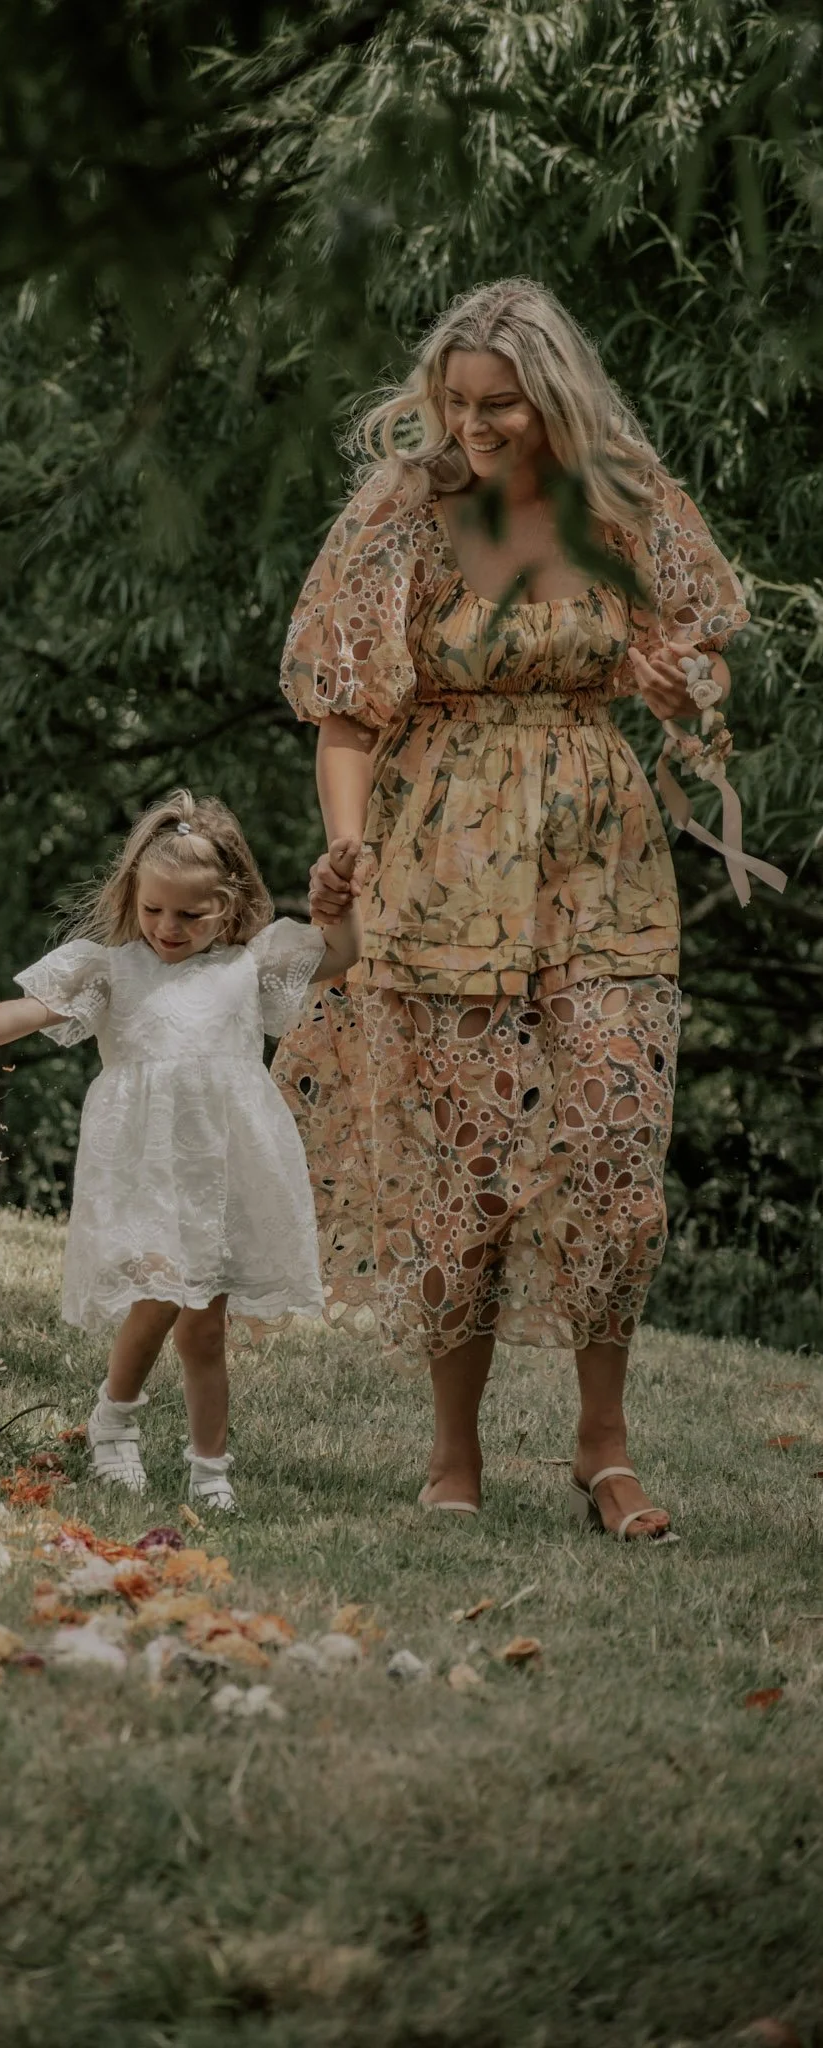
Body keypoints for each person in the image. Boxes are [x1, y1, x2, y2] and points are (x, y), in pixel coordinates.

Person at [273, 276, 781, 1540]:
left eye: (501, 403)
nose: (476, 426)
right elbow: (344, 712)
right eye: (457, 401)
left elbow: (699, 660)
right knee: (463, 1160)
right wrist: (347, 849)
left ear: (555, 397)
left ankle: (603, 1447)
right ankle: (454, 1453)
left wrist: (677, 690)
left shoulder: (621, 497)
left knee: (613, 1134)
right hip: (436, 846)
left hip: (601, 850)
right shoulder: (407, 510)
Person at [0, 790, 361, 1512]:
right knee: (156, 1302)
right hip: (147, 1166)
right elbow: (26, 1011)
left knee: (204, 1328)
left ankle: (211, 1469)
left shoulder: (250, 964)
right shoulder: (112, 970)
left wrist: (339, 900)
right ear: (133, 897)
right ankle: (114, 1420)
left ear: (229, 906)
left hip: (223, 1167)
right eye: (152, 910)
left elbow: (339, 953)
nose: (166, 928)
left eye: (188, 914)